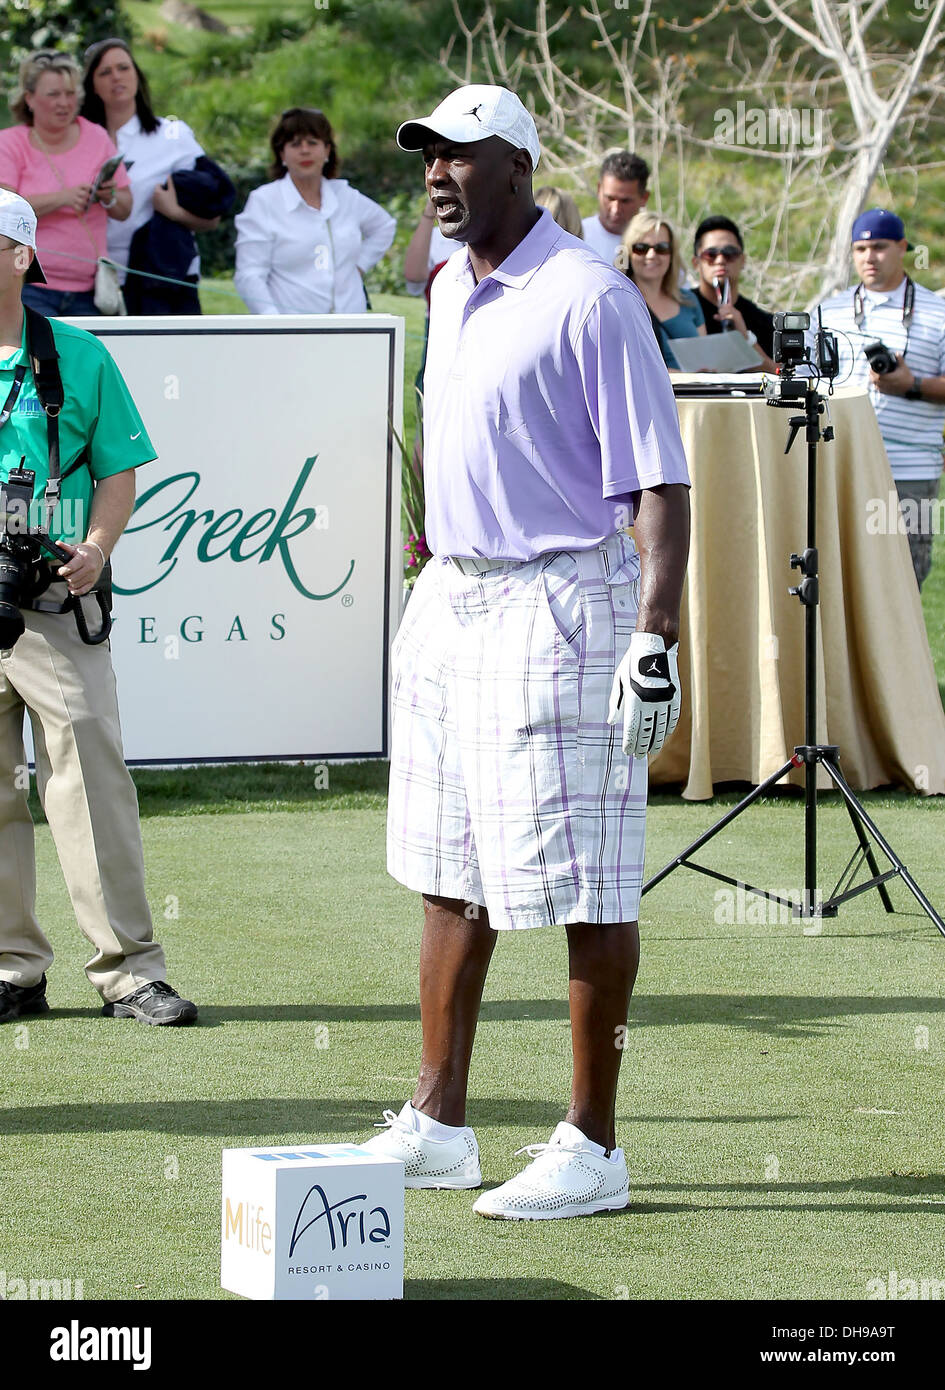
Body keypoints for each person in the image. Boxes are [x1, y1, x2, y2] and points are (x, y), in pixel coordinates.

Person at [363, 85, 690, 1220]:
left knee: (585, 873)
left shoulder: (592, 296)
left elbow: (659, 480)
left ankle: (592, 1145)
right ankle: (440, 1122)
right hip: (452, 599)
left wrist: (656, 633)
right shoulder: (451, 285)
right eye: (426, 161)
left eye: (458, 157)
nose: (438, 176)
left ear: (518, 167)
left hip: (564, 600)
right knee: (450, 866)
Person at [0, 190, 197, 1027]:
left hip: (48, 596)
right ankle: (12, 970)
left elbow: (119, 468)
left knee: (90, 782)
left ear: (20, 256)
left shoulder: (77, 355)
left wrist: (97, 546)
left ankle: (128, 971)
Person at [816, 208, 945, 589]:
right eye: (860, 248)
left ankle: (904, 652)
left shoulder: (939, 312)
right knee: (838, 578)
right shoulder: (829, 310)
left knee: (904, 577)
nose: (869, 257)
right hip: (839, 465)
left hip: (910, 470)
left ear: (903, 247)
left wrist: (913, 384)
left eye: (880, 247)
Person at [82, 37, 229, 315]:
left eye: (124, 68)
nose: (116, 77)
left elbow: (213, 215)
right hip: (92, 281)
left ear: (137, 75)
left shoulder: (173, 135)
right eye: (105, 72)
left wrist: (174, 211)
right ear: (92, 85)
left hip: (165, 279)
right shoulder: (77, 140)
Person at [0, 50, 130, 317]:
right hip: (29, 286)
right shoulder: (10, 143)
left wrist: (109, 196)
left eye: (70, 94)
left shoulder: (96, 136)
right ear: (29, 99)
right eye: (53, 94)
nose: (64, 103)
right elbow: (5, 215)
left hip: (91, 290)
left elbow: (125, 207)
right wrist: (64, 198)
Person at [234, 107, 396, 314]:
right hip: (292, 333)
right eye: (295, 144)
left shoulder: (346, 196)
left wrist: (358, 267)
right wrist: (273, 324)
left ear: (327, 150)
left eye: (312, 142)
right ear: (281, 153)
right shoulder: (263, 201)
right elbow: (249, 275)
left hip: (352, 327)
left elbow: (384, 226)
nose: (304, 150)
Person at [617, 210, 704, 370]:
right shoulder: (619, 304)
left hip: (698, 394)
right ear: (628, 253)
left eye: (661, 248)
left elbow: (705, 358)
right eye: (641, 248)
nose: (651, 255)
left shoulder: (689, 301)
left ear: (672, 255)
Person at [690, 215, 776, 371]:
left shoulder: (762, 321)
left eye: (729, 253)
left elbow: (778, 375)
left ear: (742, 260)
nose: (720, 260)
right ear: (696, 263)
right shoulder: (679, 310)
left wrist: (746, 339)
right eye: (711, 254)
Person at [580, 151, 649, 264]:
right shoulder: (577, 237)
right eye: (610, 198)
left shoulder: (657, 248)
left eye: (625, 201)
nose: (615, 209)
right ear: (599, 189)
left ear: (644, 198)